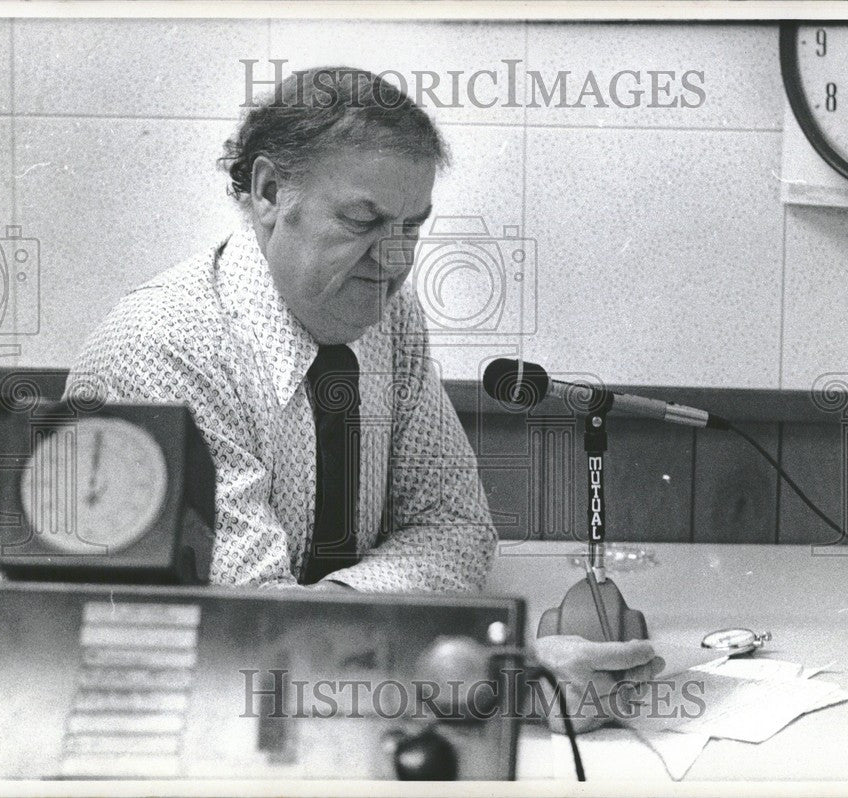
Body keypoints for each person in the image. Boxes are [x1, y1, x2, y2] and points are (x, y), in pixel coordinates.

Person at [39, 66, 662, 732]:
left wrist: (340, 622)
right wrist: (503, 679)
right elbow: (248, 634)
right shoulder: (161, 349)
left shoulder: (389, 319)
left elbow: (454, 527)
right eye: (362, 221)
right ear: (270, 191)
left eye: (412, 228)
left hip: (327, 722)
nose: (394, 262)